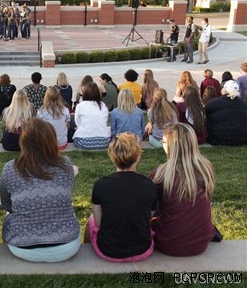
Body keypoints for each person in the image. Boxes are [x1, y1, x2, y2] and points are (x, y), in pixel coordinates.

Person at [0, 118, 80, 262]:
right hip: (67, 246)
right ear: (51, 140)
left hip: (21, 247)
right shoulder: (66, 165)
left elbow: (7, 206)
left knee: (8, 215)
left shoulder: (10, 168)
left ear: (23, 142)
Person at [85, 132, 157, 262]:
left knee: (91, 219)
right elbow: (148, 218)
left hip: (108, 250)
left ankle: (85, 250)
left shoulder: (101, 184)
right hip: (143, 249)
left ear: (112, 156)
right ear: (138, 156)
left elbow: (98, 222)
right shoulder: (150, 185)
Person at [148, 123, 216, 256]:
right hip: (201, 242)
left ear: (171, 146)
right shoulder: (205, 168)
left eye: (163, 141)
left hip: (169, 243)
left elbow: (148, 206)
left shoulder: (162, 173)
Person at [205, 80, 247, 146]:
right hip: (242, 138)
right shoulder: (243, 104)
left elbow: (205, 114)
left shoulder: (214, 103)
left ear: (225, 90)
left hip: (218, 139)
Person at [73, 82, 110, 150]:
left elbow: (77, 122)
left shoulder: (80, 106)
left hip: (84, 142)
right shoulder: (103, 105)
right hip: (104, 142)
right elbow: (105, 120)